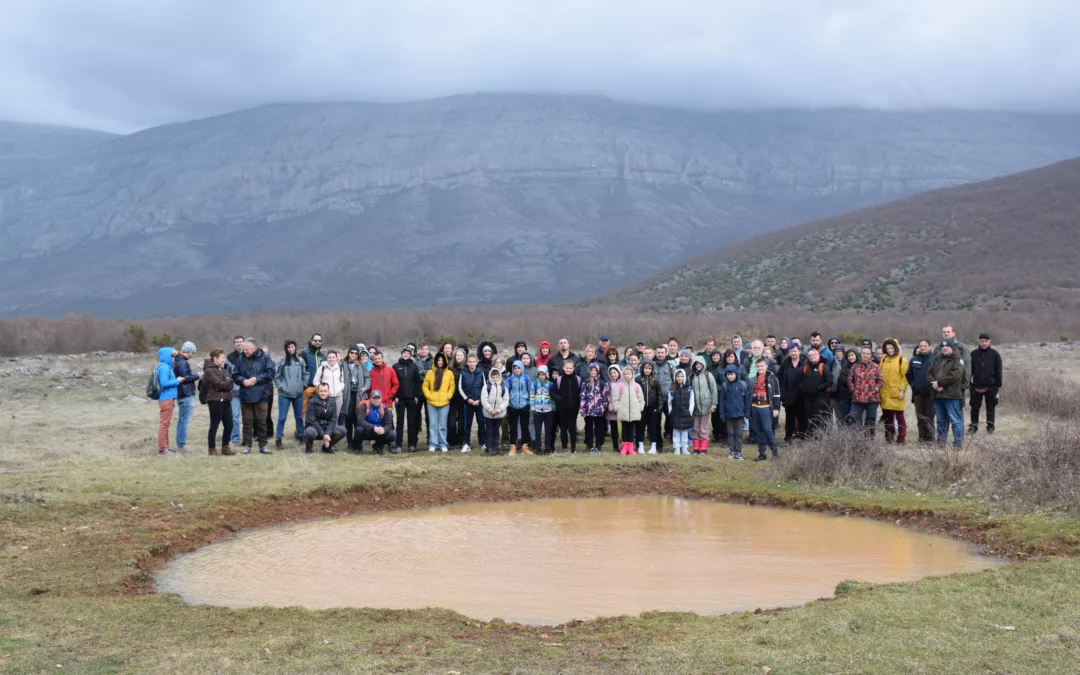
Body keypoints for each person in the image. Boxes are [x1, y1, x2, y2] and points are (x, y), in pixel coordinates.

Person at [232, 338, 275, 455]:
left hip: (261, 395)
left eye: (247, 349)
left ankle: (263, 446)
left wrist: (257, 379)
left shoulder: (265, 358)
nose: (244, 351)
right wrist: (242, 380)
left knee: (261, 421)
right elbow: (235, 374)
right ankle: (247, 446)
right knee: (247, 422)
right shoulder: (241, 359)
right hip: (246, 395)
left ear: (254, 349)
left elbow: (271, 372)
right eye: (243, 349)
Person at [929, 338, 966, 447]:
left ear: (952, 347)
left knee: (955, 421)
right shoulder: (937, 359)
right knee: (941, 421)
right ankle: (941, 442)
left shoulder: (958, 359)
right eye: (943, 346)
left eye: (947, 346)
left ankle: (957, 444)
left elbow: (955, 375)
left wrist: (939, 383)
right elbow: (928, 373)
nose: (944, 348)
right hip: (938, 395)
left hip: (951, 395)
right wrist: (934, 384)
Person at [273, 340, 308, 449]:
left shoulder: (301, 361)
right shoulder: (281, 361)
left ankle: (301, 437)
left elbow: (306, 374)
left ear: (295, 348)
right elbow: (276, 375)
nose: (291, 349)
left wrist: (303, 385)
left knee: (299, 417)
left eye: (292, 347)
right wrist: (281, 387)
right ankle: (278, 439)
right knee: (282, 418)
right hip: (285, 395)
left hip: (298, 394)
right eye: (289, 347)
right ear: (286, 349)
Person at [969, 332, 1003, 435]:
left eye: (986, 341)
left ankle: (990, 428)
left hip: (991, 386)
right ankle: (974, 427)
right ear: (979, 342)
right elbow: (970, 370)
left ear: (989, 342)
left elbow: (999, 371)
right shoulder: (973, 354)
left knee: (990, 408)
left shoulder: (995, 354)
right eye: (982, 341)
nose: (984, 343)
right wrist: (970, 384)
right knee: (974, 408)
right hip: (976, 386)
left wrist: (997, 385)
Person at [203, 348, 235, 455]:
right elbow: (221, 384)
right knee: (214, 425)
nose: (223, 360)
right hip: (215, 401)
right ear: (215, 358)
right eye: (222, 358)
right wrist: (228, 381)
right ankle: (211, 449)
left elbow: (229, 385)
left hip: (226, 400)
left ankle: (225, 447)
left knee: (229, 425)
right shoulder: (208, 371)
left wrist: (227, 381)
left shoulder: (223, 369)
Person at [422, 351, 456, 452]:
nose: (440, 362)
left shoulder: (449, 373)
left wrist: (448, 396)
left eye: (442, 360)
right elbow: (425, 386)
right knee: (433, 424)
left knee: (442, 425)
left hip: (444, 403)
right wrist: (429, 396)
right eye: (438, 360)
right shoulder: (429, 373)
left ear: (445, 361)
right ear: (435, 361)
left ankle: (443, 444)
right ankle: (433, 444)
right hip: (431, 403)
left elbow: (452, 387)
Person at [392, 347, 424, 452]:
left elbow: (418, 382)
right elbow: (393, 382)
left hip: (411, 399)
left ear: (410, 355)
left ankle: (412, 444)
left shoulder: (414, 366)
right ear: (401, 354)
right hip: (399, 399)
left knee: (412, 422)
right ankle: (398, 445)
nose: (405, 355)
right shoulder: (396, 366)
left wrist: (416, 396)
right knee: (400, 422)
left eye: (407, 353)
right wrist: (395, 396)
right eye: (404, 353)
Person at [847, 347, 884, 437]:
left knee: (870, 421)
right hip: (857, 399)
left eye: (868, 354)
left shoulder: (875, 366)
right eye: (864, 353)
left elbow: (880, 380)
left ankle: (869, 441)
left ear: (871, 355)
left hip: (872, 399)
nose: (865, 355)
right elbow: (849, 380)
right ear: (861, 354)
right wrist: (853, 389)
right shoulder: (855, 366)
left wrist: (875, 389)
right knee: (854, 419)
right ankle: (857, 439)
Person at [749, 359, 781, 460]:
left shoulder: (772, 378)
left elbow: (776, 394)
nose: (760, 368)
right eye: (758, 366)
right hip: (755, 407)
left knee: (767, 430)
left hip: (766, 407)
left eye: (762, 366)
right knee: (758, 431)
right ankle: (762, 453)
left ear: (766, 366)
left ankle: (775, 453)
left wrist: (776, 408)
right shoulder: (753, 379)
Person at [906, 340, 937, 444]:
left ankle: (930, 439)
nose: (923, 348)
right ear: (918, 347)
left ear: (929, 346)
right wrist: (914, 386)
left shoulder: (935, 359)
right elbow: (909, 375)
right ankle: (922, 439)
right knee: (920, 418)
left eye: (925, 346)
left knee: (930, 417)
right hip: (918, 394)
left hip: (931, 394)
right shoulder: (914, 360)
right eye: (921, 346)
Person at [879, 338, 910, 444]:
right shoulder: (883, 359)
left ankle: (901, 439)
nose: (889, 350)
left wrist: (902, 390)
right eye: (887, 348)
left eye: (891, 348)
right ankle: (889, 437)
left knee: (899, 417)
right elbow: (880, 375)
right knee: (888, 417)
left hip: (896, 393)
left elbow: (904, 377)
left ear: (896, 348)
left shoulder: (902, 360)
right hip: (885, 392)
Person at [154, 347, 182, 456]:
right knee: (164, 424)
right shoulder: (164, 368)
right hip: (166, 399)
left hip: (168, 398)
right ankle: (162, 449)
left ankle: (166, 447)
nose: (175, 359)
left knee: (166, 423)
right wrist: (177, 381)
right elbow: (164, 383)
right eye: (173, 356)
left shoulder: (166, 367)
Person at [718, 364, 751, 460]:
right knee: (730, 433)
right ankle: (732, 451)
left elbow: (747, 400)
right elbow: (722, 402)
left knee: (739, 433)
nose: (730, 376)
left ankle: (739, 452)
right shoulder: (725, 386)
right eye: (728, 375)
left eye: (732, 374)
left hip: (740, 414)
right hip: (729, 415)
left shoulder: (743, 385)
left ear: (736, 374)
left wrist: (747, 412)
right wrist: (722, 414)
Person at [342, 345, 370, 452]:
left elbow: (367, 378)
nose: (353, 355)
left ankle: (358, 442)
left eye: (355, 353)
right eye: (351, 352)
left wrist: (366, 387)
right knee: (348, 420)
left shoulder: (361, 365)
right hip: (348, 395)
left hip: (359, 395)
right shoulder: (343, 365)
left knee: (358, 419)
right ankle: (349, 442)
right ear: (348, 353)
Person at [173, 341, 201, 452]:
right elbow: (186, 378)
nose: (193, 355)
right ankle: (182, 444)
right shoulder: (183, 362)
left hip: (181, 394)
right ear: (188, 351)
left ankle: (180, 443)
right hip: (186, 393)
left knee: (181, 420)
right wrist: (198, 375)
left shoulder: (177, 361)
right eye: (192, 352)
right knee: (185, 420)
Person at [303, 382, 345, 453]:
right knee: (310, 432)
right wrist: (323, 434)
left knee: (343, 430)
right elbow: (311, 420)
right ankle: (309, 448)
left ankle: (326, 447)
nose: (323, 393)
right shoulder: (312, 401)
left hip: (326, 428)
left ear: (328, 392)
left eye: (325, 391)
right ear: (318, 391)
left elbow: (333, 419)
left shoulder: (332, 402)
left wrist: (327, 433)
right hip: (314, 428)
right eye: (321, 391)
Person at [612, 365, 645, 455]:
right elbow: (615, 399)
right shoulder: (620, 386)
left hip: (634, 413)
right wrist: (618, 408)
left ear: (632, 374)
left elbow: (641, 399)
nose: (627, 376)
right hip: (623, 413)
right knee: (624, 431)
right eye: (625, 374)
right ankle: (624, 447)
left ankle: (630, 448)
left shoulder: (636, 386)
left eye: (629, 374)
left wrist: (639, 408)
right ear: (623, 375)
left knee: (631, 431)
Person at [799, 348, 832, 437]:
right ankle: (811, 437)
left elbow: (829, 381)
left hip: (821, 398)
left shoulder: (823, 367)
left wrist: (819, 387)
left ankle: (823, 437)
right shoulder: (805, 368)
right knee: (810, 418)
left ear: (818, 355)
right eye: (810, 355)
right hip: (808, 398)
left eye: (813, 355)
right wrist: (803, 388)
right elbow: (800, 380)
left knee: (821, 418)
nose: (812, 357)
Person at [551, 360, 582, 453]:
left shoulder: (578, 379)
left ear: (573, 369)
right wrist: (560, 400)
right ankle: (564, 446)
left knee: (572, 428)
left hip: (573, 408)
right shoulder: (559, 380)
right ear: (563, 368)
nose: (568, 370)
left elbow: (580, 392)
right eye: (567, 368)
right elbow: (552, 392)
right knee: (563, 428)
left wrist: (578, 402)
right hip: (562, 409)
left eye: (570, 368)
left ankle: (573, 448)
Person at [458, 352, 486, 453]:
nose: (472, 363)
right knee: (467, 424)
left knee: (481, 423)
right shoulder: (463, 373)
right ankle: (466, 444)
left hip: (479, 403)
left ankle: (483, 443)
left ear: (476, 362)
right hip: (468, 403)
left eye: (474, 362)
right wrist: (467, 399)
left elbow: (484, 387)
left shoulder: (481, 373)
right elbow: (460, 388)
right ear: (467, 362)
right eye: (470, 362)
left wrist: (479, 400)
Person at [504, 360, 533, 455]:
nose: (517, 370)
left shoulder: (526, 378)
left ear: (522, 368)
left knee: (524, 426)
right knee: (513, 427)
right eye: (515, 368)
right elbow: (506, 391)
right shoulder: (510, 379)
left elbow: (530, 390)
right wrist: (508, 403)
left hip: (524, 405)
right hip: (513, 405)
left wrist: (529, 402)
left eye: (519, 368)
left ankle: (524, 446)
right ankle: (512, 446)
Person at [690, 356, 717, 455]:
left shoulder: (707, 375)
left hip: (706, 406)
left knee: (703, 427)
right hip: (696, 406)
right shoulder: (692, 376)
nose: (698, 366)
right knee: (696, 427)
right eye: (696, 364)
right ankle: (696, 448)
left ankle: (703, 449)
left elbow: (713, 390)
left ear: (703, 365)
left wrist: (714, 404)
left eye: (700, 364)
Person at [778, 345, 806, 441]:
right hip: (788, 395)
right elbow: (780, 379)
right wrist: (783, 394)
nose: (793, 353)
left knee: (802, 418)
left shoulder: (805, 363)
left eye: (795, 351)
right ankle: (788, 437)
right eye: (791, 351)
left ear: (799, 352)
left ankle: (802, 436)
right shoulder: (785, 364)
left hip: (801, 396)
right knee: (789, 418)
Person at [580, 363, 609, 453]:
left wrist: (603, 407)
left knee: (599, 429)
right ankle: (589, 446)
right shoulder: (585, 382)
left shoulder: (602, 383)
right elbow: (582, 396)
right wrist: (582, 408)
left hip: (599, 411)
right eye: (592, 370)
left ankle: (598, 446)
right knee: (588, 428)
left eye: (595, 370)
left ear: (598, 371)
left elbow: (606, 396)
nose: (593, 372)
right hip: (588, 410)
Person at [480, 367, 509, 455]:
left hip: (499, 414)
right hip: (489, 414)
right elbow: (484, 400)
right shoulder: (486, 387)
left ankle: (495, 448)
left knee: (496, 431)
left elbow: (505, 400)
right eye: (493, 377)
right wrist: (490, 409)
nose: (495, 379)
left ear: (499, 377)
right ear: (490, 377)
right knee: (489, 431)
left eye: (497, 377)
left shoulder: (504, 388)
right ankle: (488, 448)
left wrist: (499, 410)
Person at [310, 350, 345, 422]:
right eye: (330, 357)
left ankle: (334, 432)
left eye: (333, 357)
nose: (331, 359)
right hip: (326, 397)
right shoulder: (322, 368)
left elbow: (342, 381)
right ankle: (325, 432)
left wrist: (340, 388)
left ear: (336, 358)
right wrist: (323, 388)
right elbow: (315, 381)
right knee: (327, 416)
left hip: (338, 396)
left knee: (336, 416)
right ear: (327, 358)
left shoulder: (340, 368)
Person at [636, 361, 661, 454]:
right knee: (640, 427)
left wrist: (659, 408)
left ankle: (653, 446)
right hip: (641, 408)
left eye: (649, 368)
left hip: (652, 408)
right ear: (642, 369)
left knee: (652, 427)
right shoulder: (638, 379)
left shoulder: (655, 380)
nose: (647, 370)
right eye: (646, 368)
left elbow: (659, 394)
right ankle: (640, 446)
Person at [653, 345, 675, 449]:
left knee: (671, 419)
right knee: (656, 422)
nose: (660, 354)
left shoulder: (670, 366)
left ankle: (672, 439)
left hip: (668, 399)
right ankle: (658, 444)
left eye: (662, 352)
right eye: (658, 352)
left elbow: (675, 380)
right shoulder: (652, 365)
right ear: (656, 353)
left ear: (666, 353)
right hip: (656, 400)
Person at [529, 365, 556, 454]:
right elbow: (532, 396)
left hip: (548, 411)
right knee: (538, 431)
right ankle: (538, 448)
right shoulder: (534, 384)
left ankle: (547, 448)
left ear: (546, 375)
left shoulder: (550, 384)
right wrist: (532, 407)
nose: (541, 376)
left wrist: (553, 407)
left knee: (548, 431)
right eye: (540, 374)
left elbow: (553, 397)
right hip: (537, 411)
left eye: (543, 374)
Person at [668, 369, 694, 455]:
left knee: (684, 432)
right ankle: (677, 448)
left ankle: (684, 447)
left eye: (682, 376)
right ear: (675, 377)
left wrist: (689, 411)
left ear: (685, 377)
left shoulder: (689, 388)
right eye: (678, 376)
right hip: (675, 413)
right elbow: (669, 402)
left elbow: (691, 401)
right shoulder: (672, 388)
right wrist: (670, 411)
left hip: (685, 413)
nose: (680, 378)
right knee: (676, 432)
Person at [300, 334, 326, 419]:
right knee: (303, 410)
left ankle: (315, 429)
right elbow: (300, 371)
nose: (317, 342)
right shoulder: (304, 354)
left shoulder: (323, 356)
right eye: (315, 340)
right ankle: (299, 430)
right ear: (311, 341)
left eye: (319, 341)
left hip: (320, 388)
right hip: (307, 387)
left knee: (318, 411)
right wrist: (303, 385)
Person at [447, 348, 467, 448]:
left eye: (461, 356)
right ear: (455, 357)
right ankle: (451, 441)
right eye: (457, 355)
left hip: (463, 399)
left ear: (464, 357)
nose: (459, 357)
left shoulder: (466, 368)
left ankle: (461, 440)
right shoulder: (449, 368)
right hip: (452, 398)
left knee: (462, 421)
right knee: (451, 422)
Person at [226, 335, 245, 446]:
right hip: (235, 392)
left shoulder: (248, 355)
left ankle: (248, 438)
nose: (239, 343)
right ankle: (235, 438)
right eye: (237, 342)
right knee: (235, 416)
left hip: (247, 391)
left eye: (241, 341)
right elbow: (226, 373)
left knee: (248, 416)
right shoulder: (230, 357)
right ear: (234, 344)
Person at [834, 349, 859, 422]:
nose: (851, 357)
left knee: (855, 417)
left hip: (856, 397)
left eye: (852, 355)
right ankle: (846, 433)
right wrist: (851, 381)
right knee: (846, 417)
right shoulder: (844, 366)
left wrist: (849, 380)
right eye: (849, 356)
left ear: (856, 356)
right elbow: (841, 379)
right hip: (844, 396)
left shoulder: (860, 366)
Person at [604, 365, 622, 452]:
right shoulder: (608, 384)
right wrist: (611, 408)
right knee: (614, 430)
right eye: (611, 373)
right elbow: (607, 397)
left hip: (621, 411)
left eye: (615, 372)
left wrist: (620, 408)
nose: (613, 375)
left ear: (619, 373)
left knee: (622, 430)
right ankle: (615, 446)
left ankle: (623, 445)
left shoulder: (623, 383)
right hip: (612, 411)